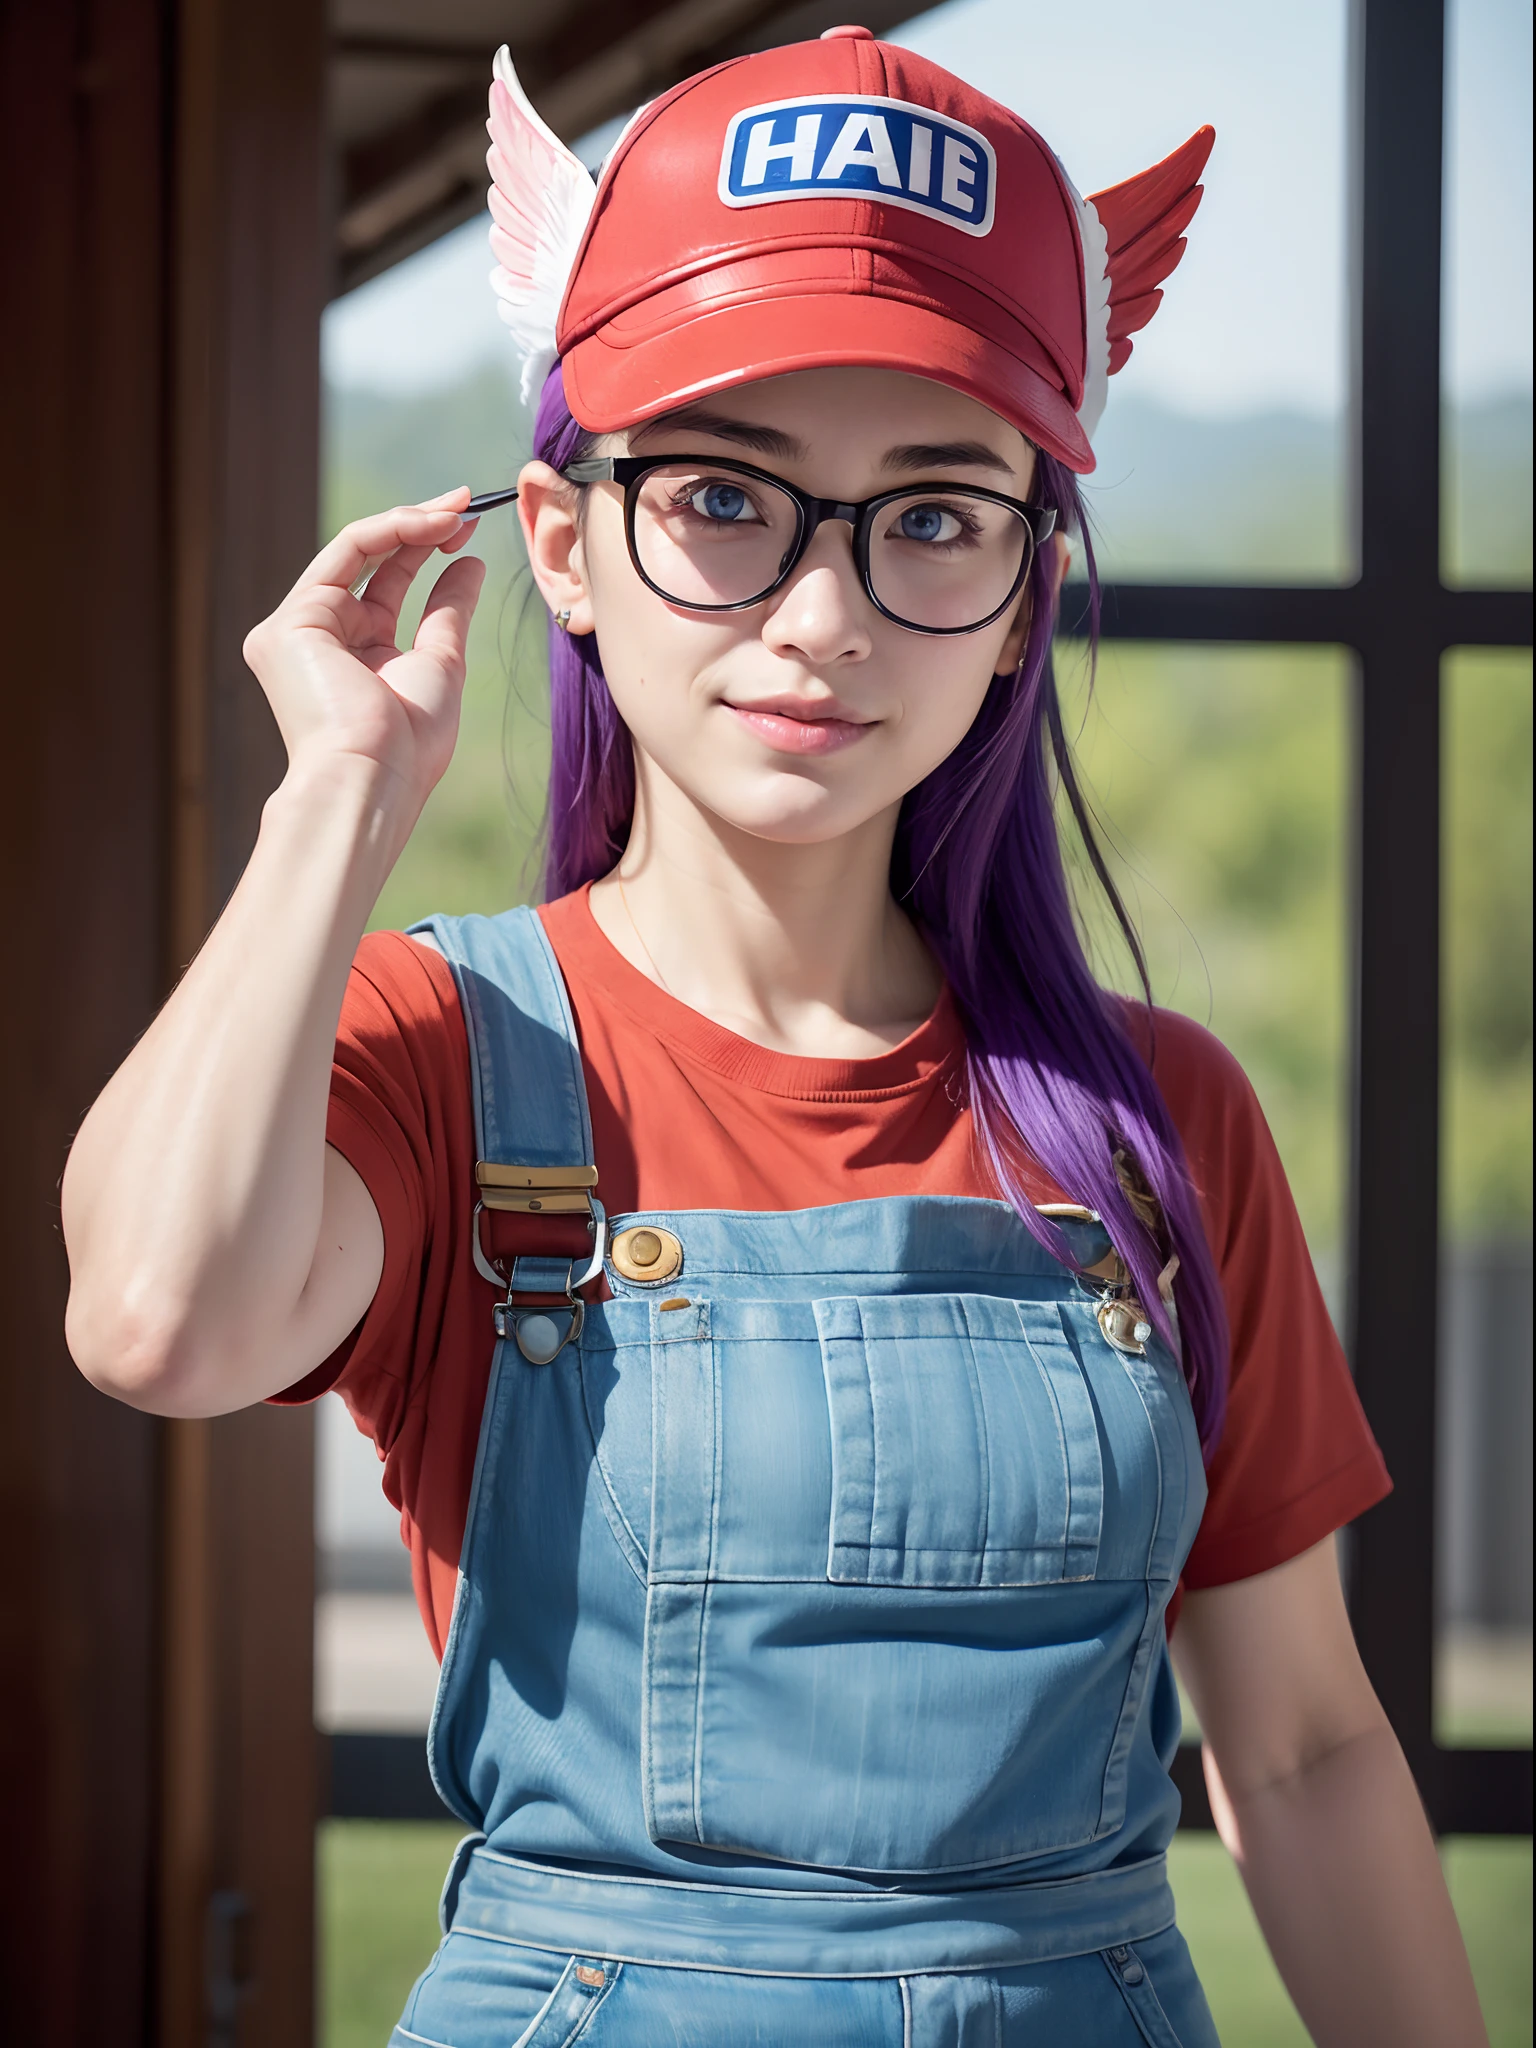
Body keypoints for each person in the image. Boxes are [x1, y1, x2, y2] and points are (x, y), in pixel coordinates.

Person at [63, 26, 1488, 2048]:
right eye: (727, 498)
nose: (823, 615)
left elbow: (1311, 1752)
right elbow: (154, 1321)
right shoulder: (438, 1042)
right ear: (563, 544)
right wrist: (336, 807)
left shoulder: (1158, 1124)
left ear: (1019, 598)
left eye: (930, 517)